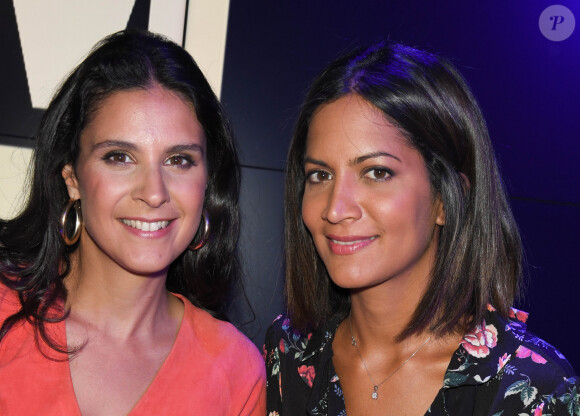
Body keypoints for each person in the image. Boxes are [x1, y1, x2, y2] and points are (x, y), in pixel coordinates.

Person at [264, 43, 579, 415]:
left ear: (446, 199)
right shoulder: (290, 349)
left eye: (376, 172)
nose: (335, 208)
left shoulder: (534, 388)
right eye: (320, 175)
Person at [0, 29, 265, 415]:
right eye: (120, 157)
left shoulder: (236, 370)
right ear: (72, 177)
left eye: (179, 160)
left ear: (207, 183)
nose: (154, 192)